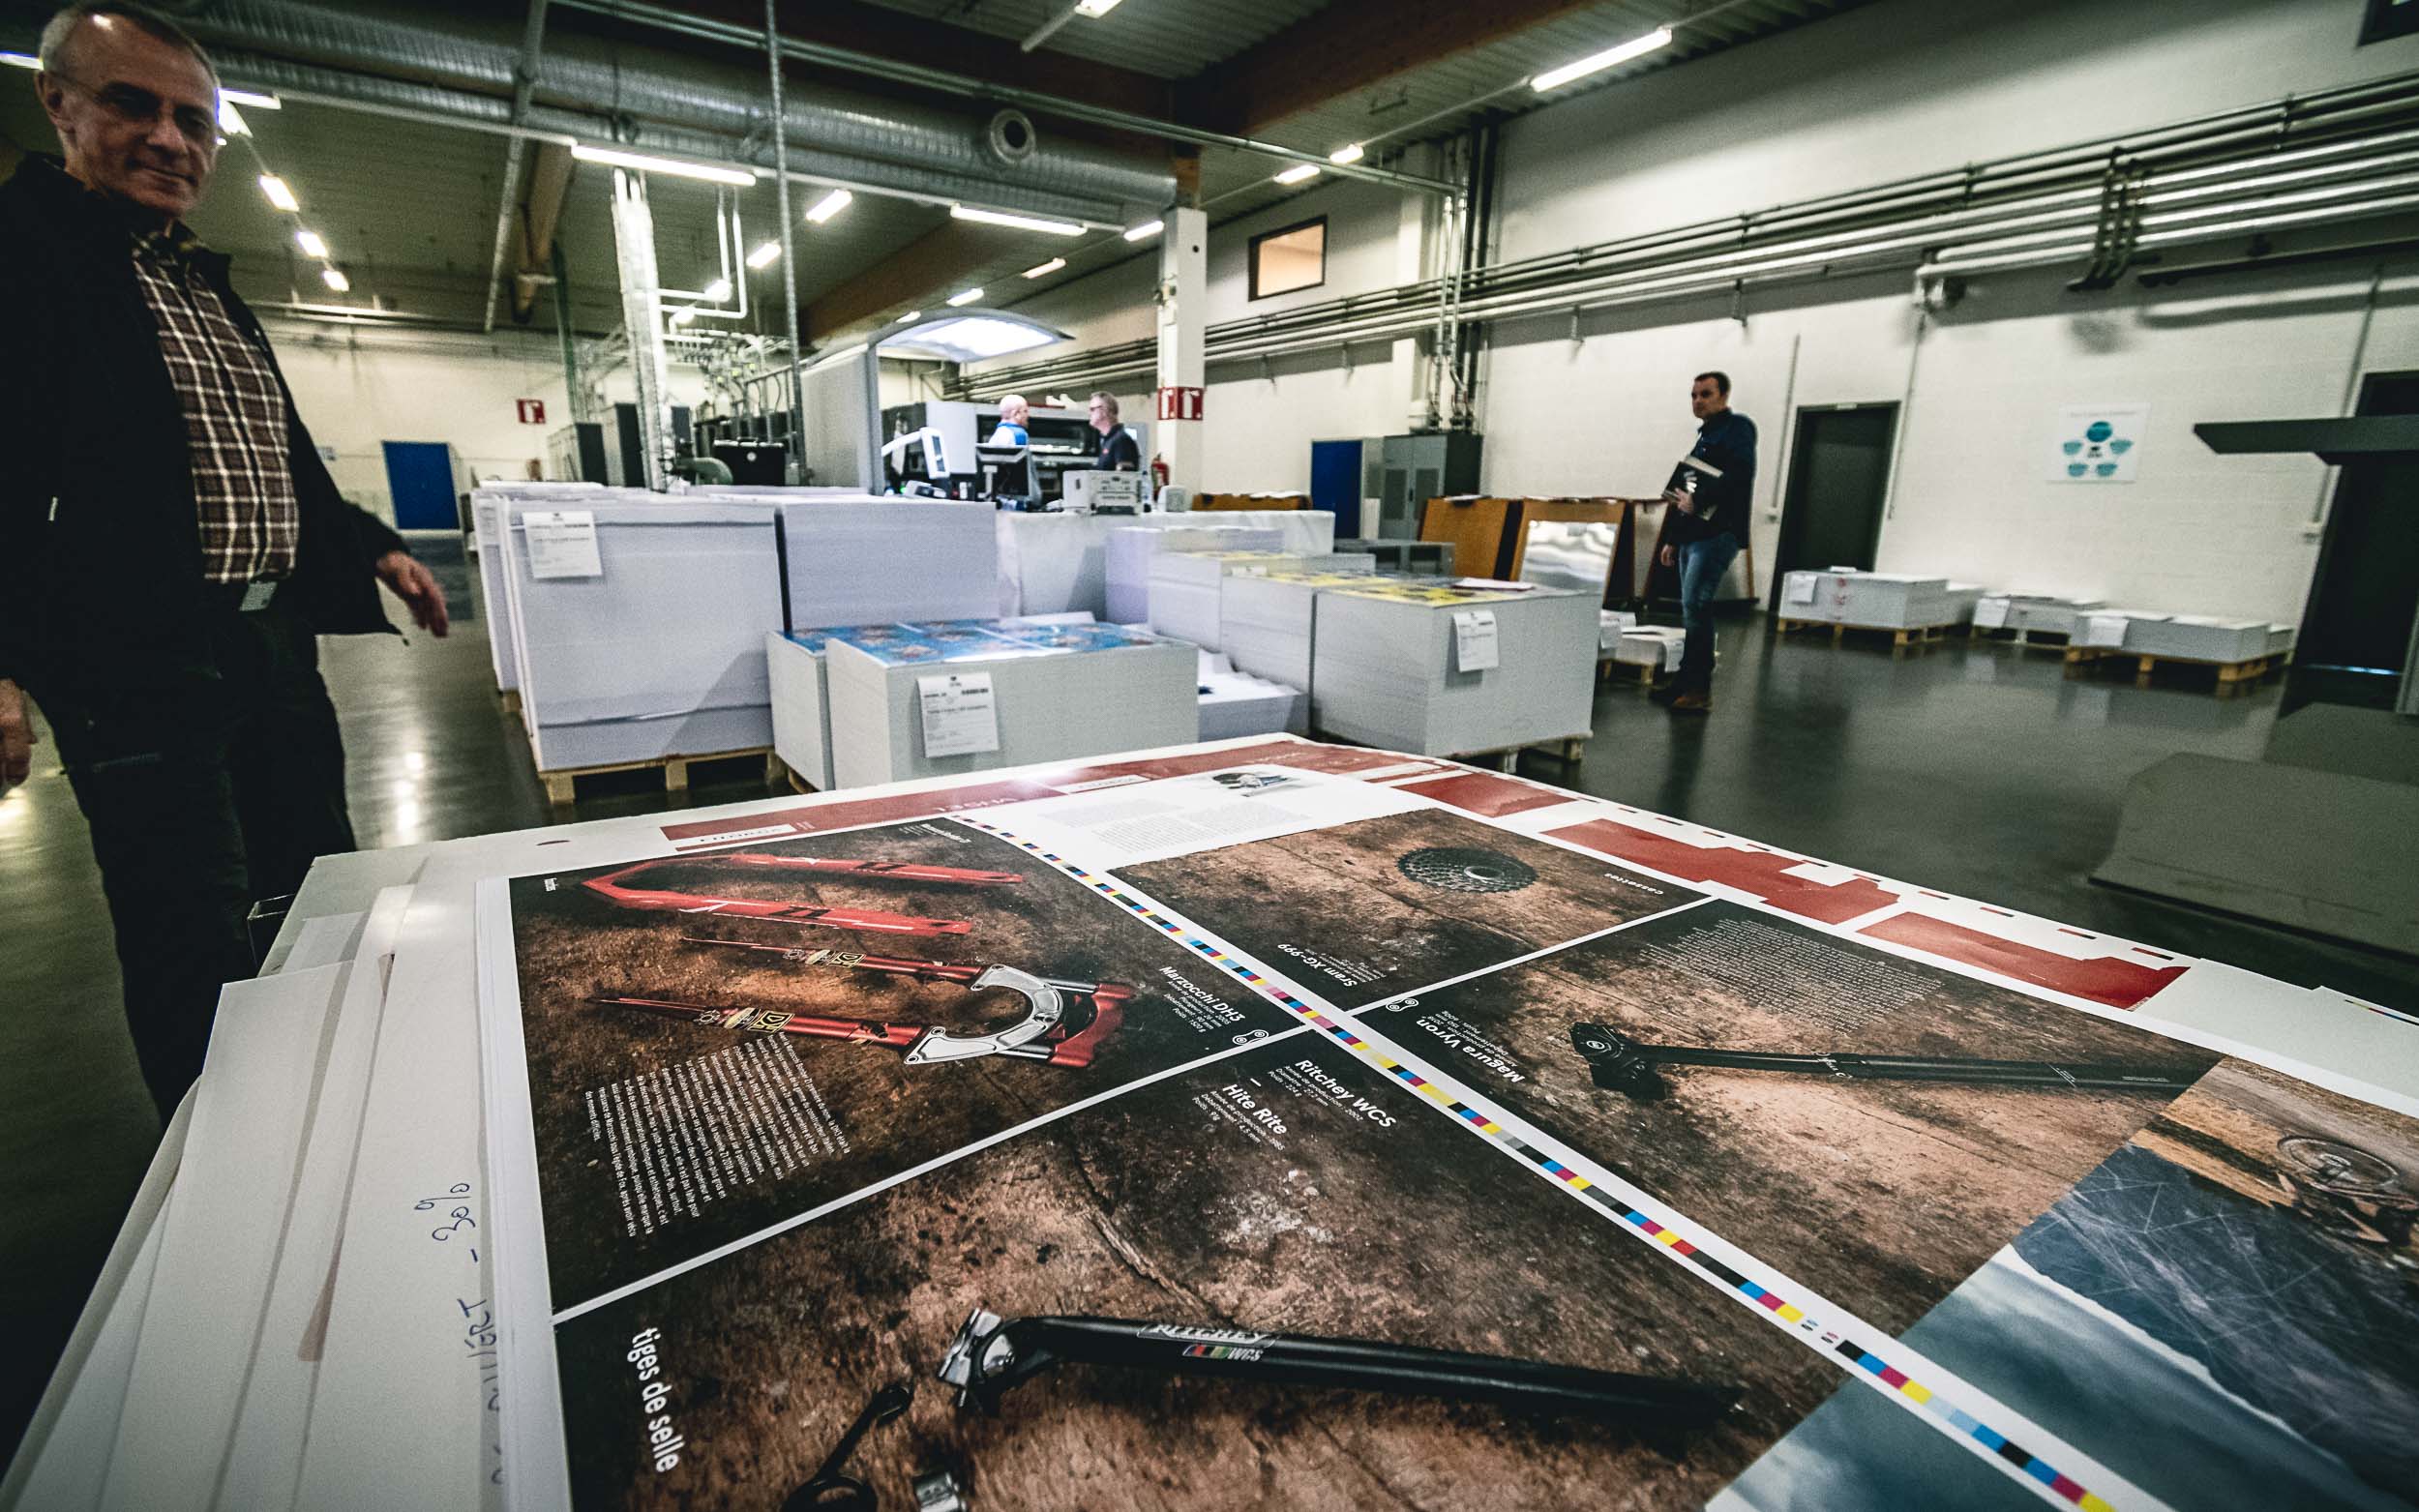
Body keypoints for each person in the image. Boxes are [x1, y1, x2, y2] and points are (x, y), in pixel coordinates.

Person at [0, 3, 450, 1118]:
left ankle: (334, 1117)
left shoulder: (199, 279)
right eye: (132, 105)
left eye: (192, 121)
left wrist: (375, 545)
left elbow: (276, 456)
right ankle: (222, 1158)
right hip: (135, 659)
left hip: (268, 641)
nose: (169, 140)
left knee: (320, 889)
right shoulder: (27, 259)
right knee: (189, 930)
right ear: (59, 105)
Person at [1655, 371, 1756, 714]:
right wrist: (1673, 539)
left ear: (1723, 396)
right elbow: (1688, 491)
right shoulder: (1704, 438)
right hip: (1694, 535)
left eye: (1706, 394)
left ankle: (1699, 689)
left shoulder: (1738, 429)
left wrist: (1697, 501)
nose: (1698, 401)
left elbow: (1740, 474)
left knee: (1697, 606)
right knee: (1690, 609)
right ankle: (1684, 682)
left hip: (1718, 533)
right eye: (1694, 395)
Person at [1088, 391, 1141, 471]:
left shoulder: (1121, 440)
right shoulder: (1108, 441)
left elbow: (1125, 475)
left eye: (1092, 409)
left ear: (1105, 410)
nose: (1089, 413)